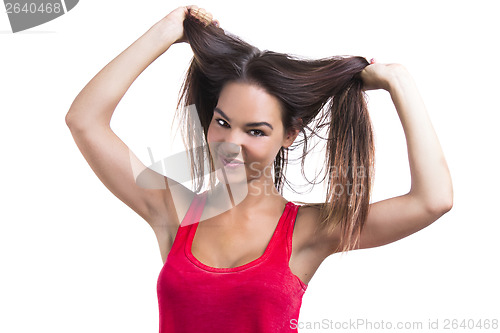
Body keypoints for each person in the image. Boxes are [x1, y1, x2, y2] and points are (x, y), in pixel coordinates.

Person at [65, 5, 453, 333]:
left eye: (255, 130)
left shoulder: (309, 230)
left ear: (288, 135)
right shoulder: (176, 212)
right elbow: (84, 120)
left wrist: (399, 81)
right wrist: (166, 31)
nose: (232, 143)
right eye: (222, 122)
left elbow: (432, 201)